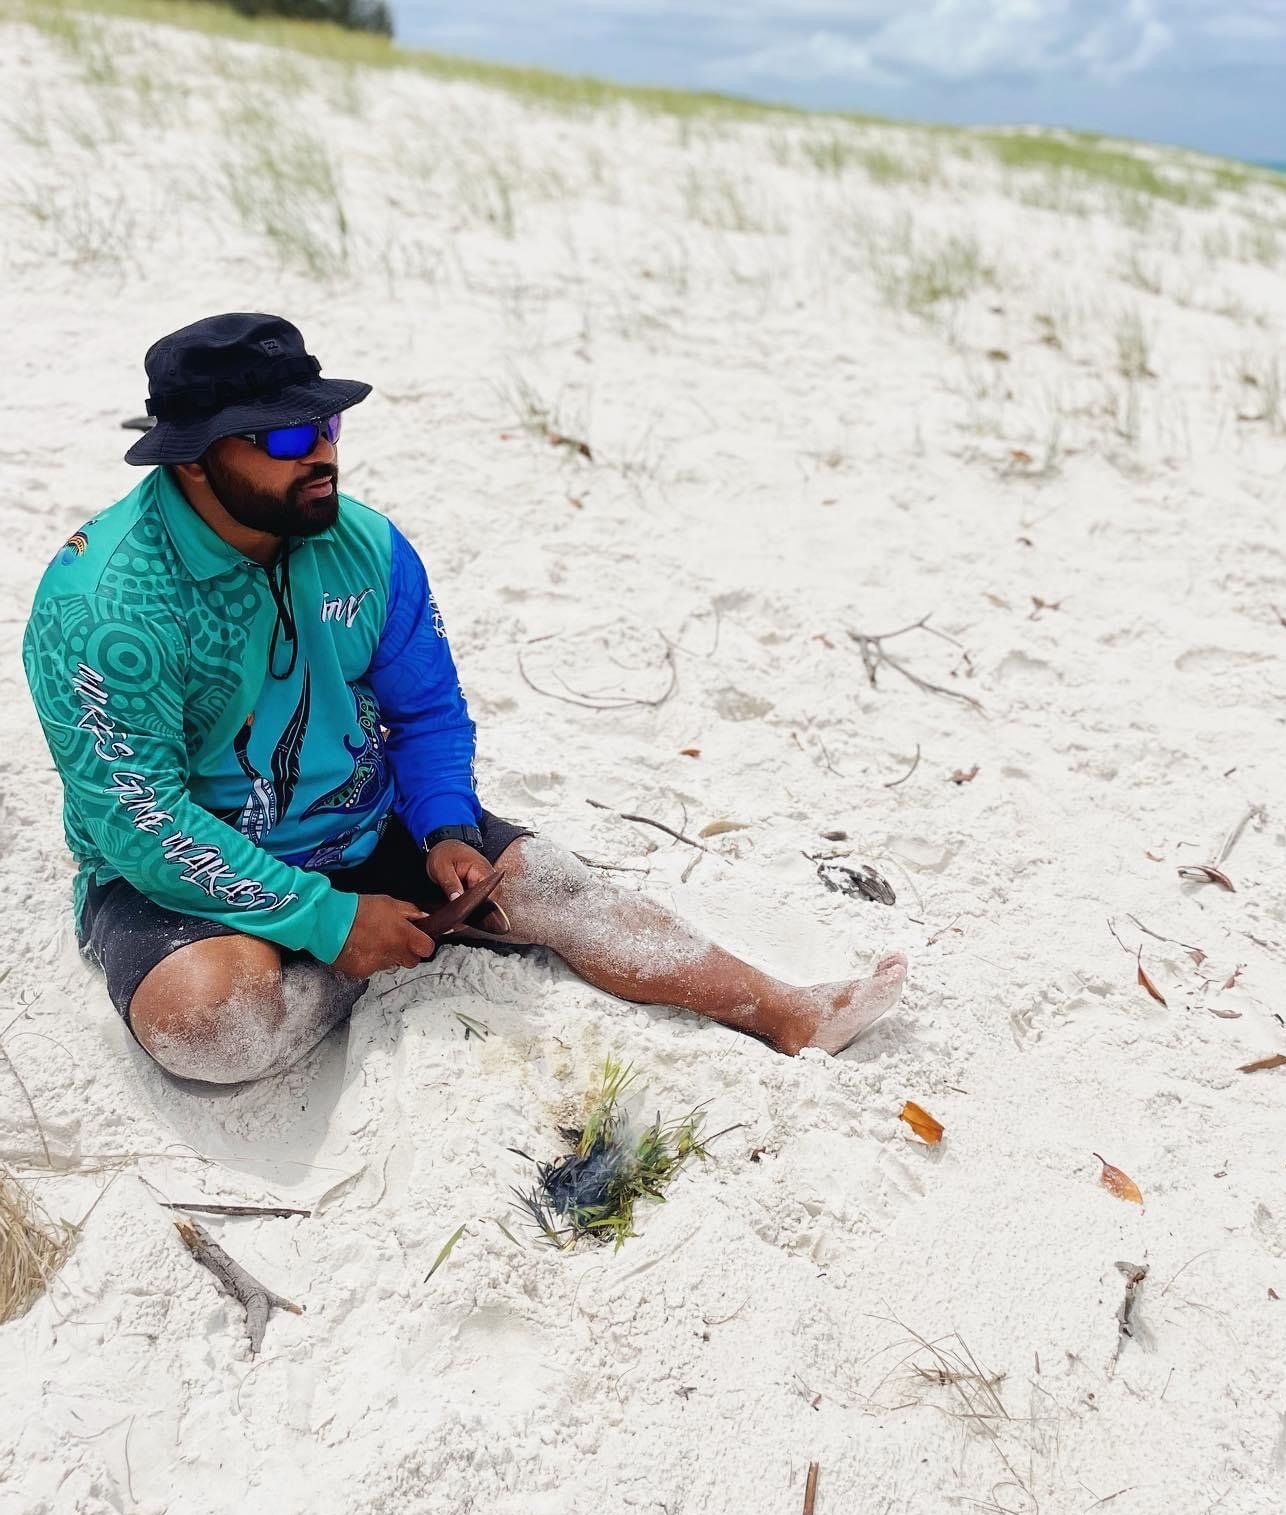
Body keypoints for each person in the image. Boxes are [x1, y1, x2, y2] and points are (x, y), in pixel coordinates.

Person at [22, 314, 905, 1086]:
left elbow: (427, 712)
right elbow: (144, 823)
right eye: (286, 439)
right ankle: (368, 958)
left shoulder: (365, 546)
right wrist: (330, 924)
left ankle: (787, 1009)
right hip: (185, 874)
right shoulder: (105, 607)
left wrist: (444, 825)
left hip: (362, 824)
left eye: (326, 422)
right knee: (211, 1024)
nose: (323, 452)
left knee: (557, 885)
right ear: (199, 461)